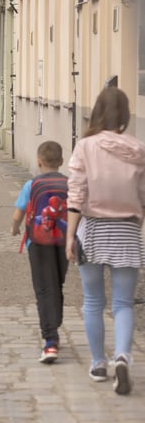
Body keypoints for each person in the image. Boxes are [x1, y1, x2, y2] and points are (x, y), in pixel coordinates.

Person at [65, 87, 145, 395]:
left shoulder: (85, 147)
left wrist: (70, 236)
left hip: (93, 229)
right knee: (124, 303)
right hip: (126, 230)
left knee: (93, 302)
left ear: (97, 111)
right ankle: (122, 356)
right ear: (125, 115)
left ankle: (99, 362)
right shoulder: (138, 150)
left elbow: (76, 194)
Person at [10, 141, 69, 364]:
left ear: (38, 161)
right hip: (63, 242)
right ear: (61, 162)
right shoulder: (69, 184)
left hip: (38, 243)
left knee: (44, 289)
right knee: (57, 284)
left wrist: (14, 229)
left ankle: (50, 342)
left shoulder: (31, 185)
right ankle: (55, 323)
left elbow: (18, 214)